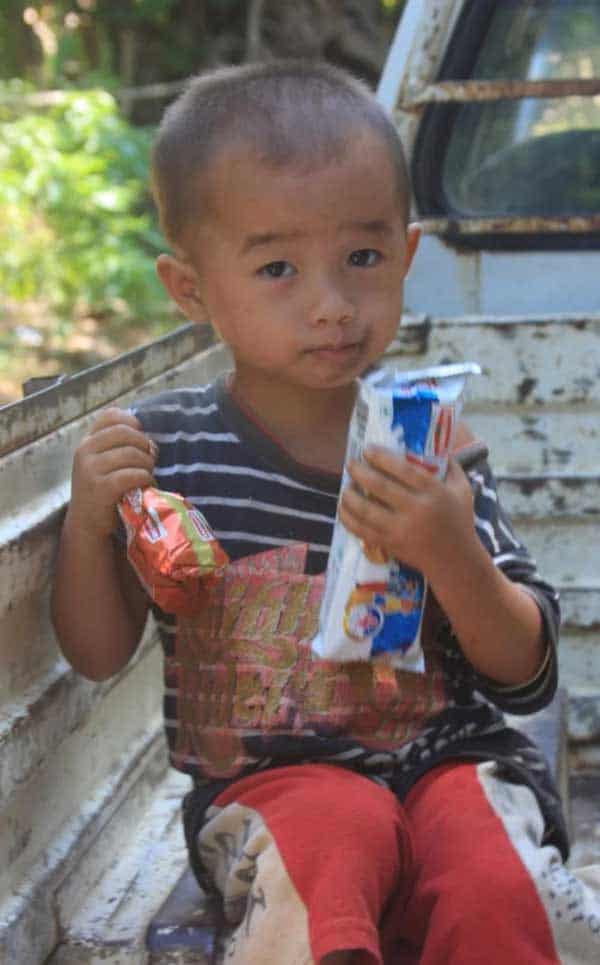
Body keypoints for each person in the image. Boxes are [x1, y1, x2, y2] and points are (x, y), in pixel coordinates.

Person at [51, 60, 600, 965]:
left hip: (451, 762)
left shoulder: (430, 443)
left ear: (408, 256)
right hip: (273, 786)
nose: (332, 304)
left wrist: (450, 548)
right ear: (191, 290)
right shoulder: (167, 455)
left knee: (496, 882)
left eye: (364, 257)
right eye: (277, 267)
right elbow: (99, 652)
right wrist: (85, 525)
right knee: (332, 839)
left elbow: (527, 673)